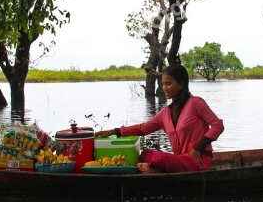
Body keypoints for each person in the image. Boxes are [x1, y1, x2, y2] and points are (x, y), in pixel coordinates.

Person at [96, 64, 224, 173]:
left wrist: (197, 148)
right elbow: (143, 128)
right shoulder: (165, 113)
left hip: (198, 161)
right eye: (163, 84)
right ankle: (159, 169)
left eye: (168, 83)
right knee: (145, 153)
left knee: (158, 158)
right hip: (180, 161)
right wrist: (116, 131)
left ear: (181, 84)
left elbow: (218, 126)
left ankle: (157, 170)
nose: (164, 88)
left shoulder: (195, 103)